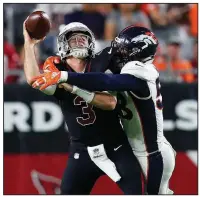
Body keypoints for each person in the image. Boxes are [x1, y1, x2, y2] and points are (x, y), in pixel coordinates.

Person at [32, 26, 176, 194]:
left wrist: (64, 76)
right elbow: (104, 62)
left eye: (123, 48)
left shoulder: (141, 71)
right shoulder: (131, 67)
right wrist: (56, 61)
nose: (118, 51)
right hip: (142, 149)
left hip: (151, 153)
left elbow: (104, 81)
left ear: (135, 51)